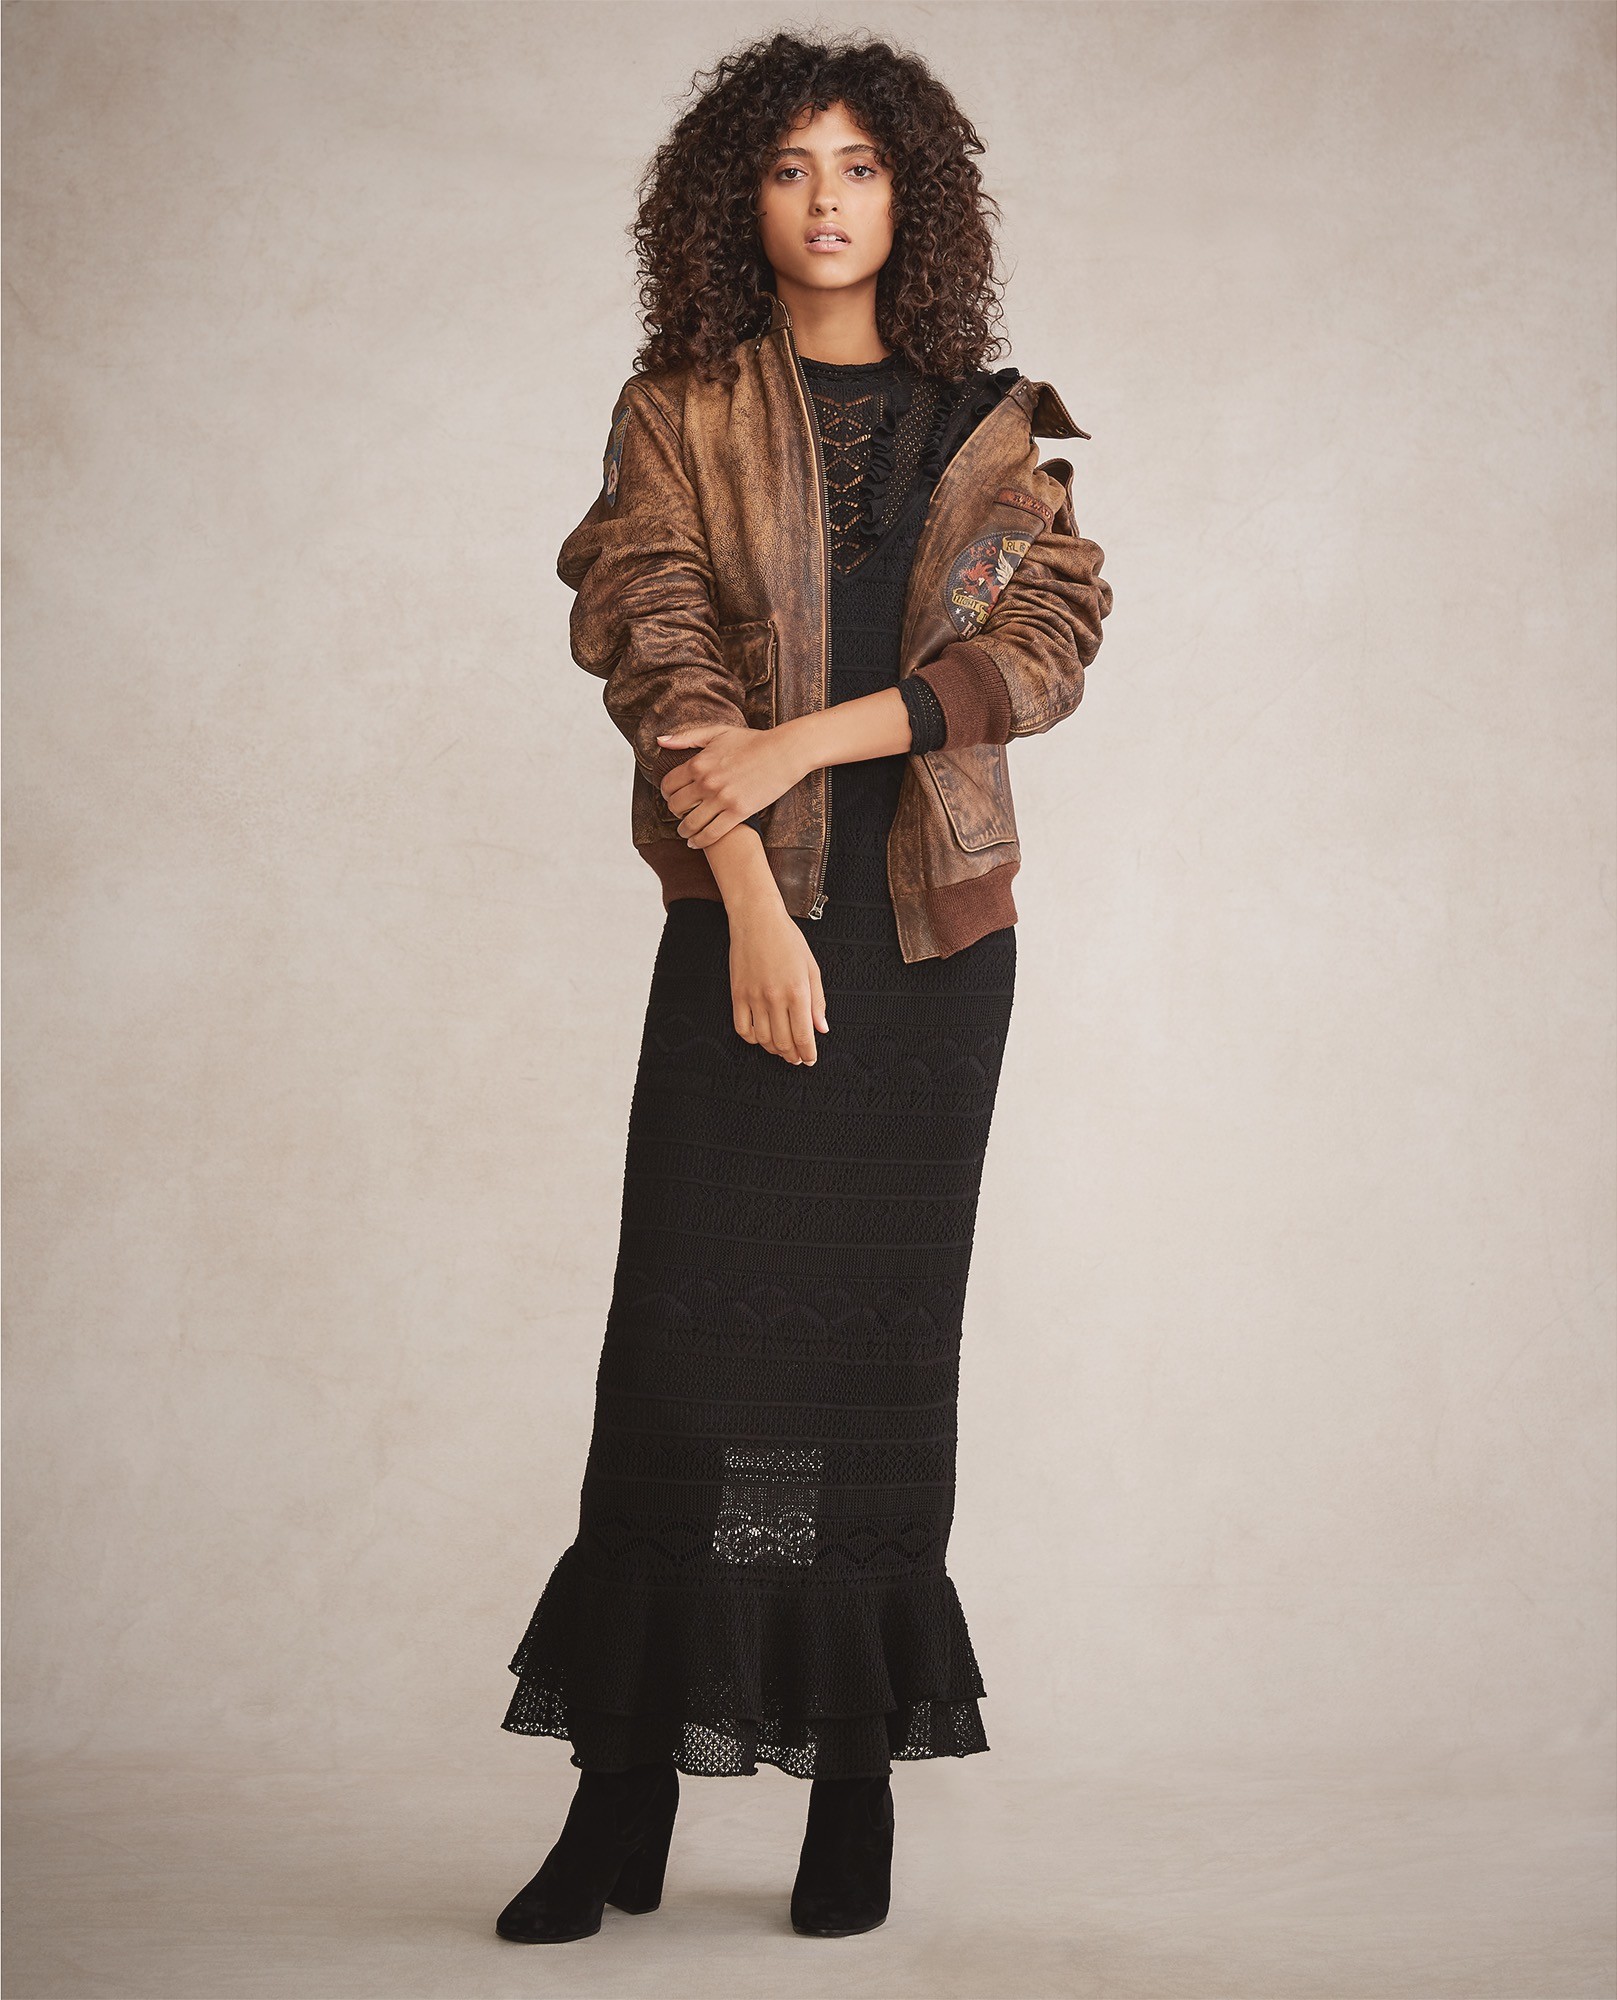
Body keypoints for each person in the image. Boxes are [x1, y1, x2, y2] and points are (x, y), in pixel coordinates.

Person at [495, 29, 1112, 1945]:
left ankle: (853, 1785)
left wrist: (808, 741)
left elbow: (1042, 645)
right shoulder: (678, 407)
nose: (826, 199)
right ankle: (624, 1792)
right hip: (745, 926)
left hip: (929, 955)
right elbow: (652, 636)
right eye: (787, 167)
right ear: (734, 201)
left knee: (867, 1376)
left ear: (910, 195)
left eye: (858, 164)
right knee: (688, 1373)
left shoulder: (991, 423)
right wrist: (751, 898)